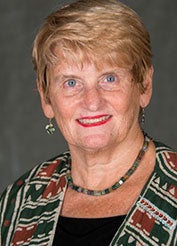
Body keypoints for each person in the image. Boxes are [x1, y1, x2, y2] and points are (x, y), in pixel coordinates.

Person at [0, 0, 176, 245]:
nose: (92, 102)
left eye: (110, 78)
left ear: (144, 86)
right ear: (46, 99)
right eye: (71, 82)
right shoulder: (17, 203)